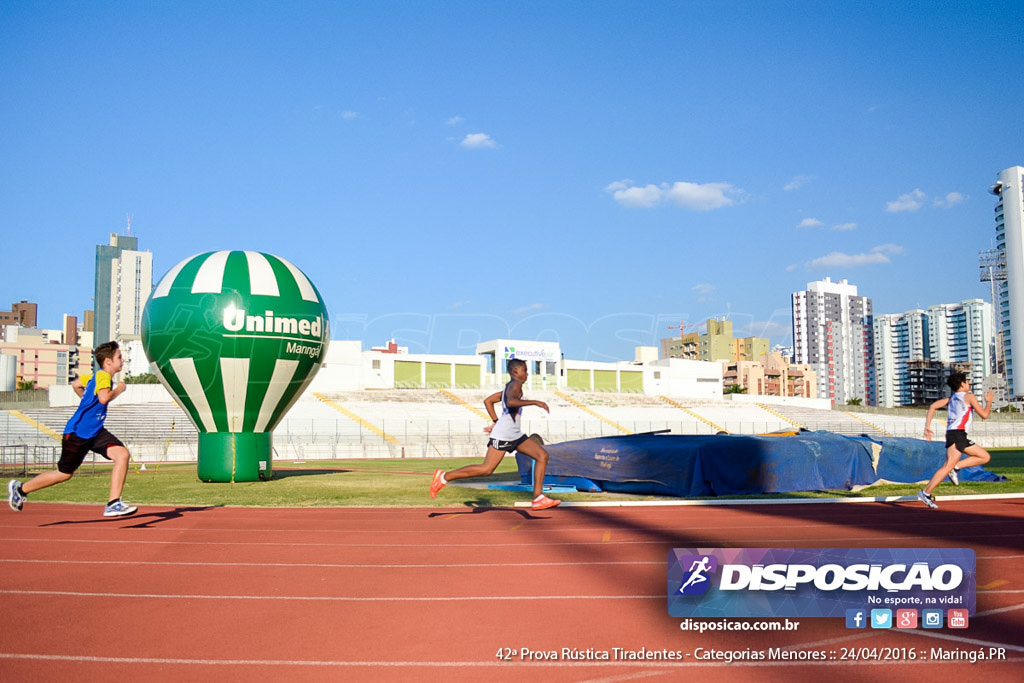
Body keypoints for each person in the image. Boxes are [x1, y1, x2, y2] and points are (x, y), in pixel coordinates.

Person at [7, 341, 138, 517]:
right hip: (78, 433)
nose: (122, 360)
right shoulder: (103, 377)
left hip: (95, 431)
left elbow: (76, 384)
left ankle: (113, 503)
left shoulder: (94, 376)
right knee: (64, 474)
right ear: (108, 361)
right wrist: (120, 389)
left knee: (122, 455)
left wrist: (87, 402)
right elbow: (104, 398)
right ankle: (20, 489)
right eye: (119, 357)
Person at [430, 358, 561, 510]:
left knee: (542, 456)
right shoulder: (515, 385)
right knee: (486, 469)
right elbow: (511, 402)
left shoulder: (509, 387)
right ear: (515, 372)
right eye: (525, 370)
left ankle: (538, 497)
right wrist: (535, 402)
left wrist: (495, 421)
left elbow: (488, 401)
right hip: (505, 435)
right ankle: (444, 477)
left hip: (515, 435)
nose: (527, 374)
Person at [919, 371, 993, 509]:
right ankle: (925, 492)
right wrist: (988, 402)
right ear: (962, 383)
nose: (969, 384)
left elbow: (933, 406)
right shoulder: (969, 396)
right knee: (952, 465)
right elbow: (984, 415)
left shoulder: (952, 398)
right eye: (967, 381)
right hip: (958, 435)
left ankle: (956, 468)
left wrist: (927, 427)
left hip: (955, 434)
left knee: (983, 456)